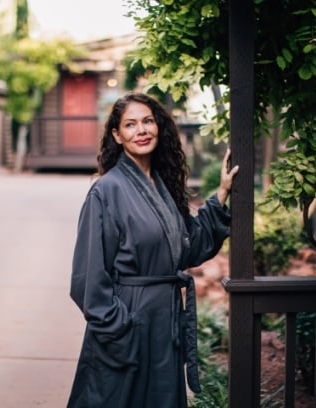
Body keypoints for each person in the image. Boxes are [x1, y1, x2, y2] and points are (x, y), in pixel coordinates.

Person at [67, 92, 239, 408]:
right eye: (130, 125)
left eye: (147, 121)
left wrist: (222, 193)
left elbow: (190, 247)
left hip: (164, 319)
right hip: (128, 322)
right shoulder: (106, 192)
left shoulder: (162, 186)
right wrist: (121, 328)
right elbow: (87, 279)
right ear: (117, 136)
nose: (142, 130)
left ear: (158, 126)